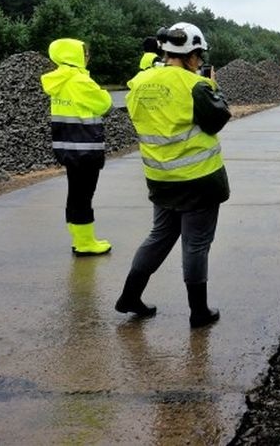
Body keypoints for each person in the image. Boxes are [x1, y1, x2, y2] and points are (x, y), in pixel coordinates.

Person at [115, 22, 231, 327]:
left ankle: (129, 296)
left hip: (160, 178)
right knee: (195, 245)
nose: (201, 62)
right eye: (199, 56)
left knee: (159, 236)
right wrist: (213, 86)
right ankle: (199, 312)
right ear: (192, 56)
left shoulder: (139, 83)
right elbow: (218, 118)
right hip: (198, 181)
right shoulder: (195, 85)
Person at [40, 38, 113, 256]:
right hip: (85, 148)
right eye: (84, 52)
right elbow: (105, 105)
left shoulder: (58, 81)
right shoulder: (80, 81)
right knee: (83, 196)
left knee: (75, 194)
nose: (87, 56)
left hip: (66, 147)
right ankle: (85, 243)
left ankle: (78, 236)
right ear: (74, 55)